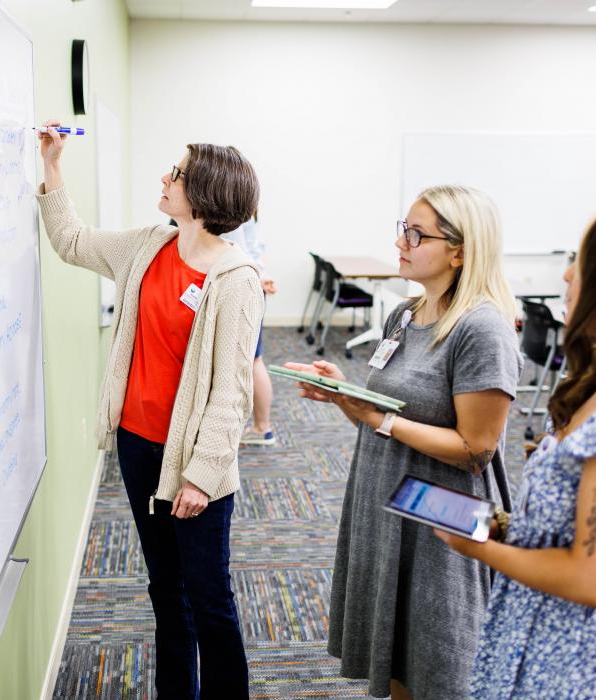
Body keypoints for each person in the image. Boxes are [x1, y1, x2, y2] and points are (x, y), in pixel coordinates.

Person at [36, 120, 263, 700]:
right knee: (165, 590)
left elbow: (231, 392)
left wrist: (202, 475)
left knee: (208, 598)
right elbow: (73, 242)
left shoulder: (234, 279)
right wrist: (53, 167)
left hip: (192, 465)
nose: (166, 177)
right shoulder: (149, 245)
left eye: (178, 173)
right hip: (138, 445)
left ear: (205, 193)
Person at [285, 185, 522, 700]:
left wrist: (378, 419)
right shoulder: (406, 315)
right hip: (385, 500)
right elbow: (386, 414)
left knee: (440, 667)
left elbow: (477, 449)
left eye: (417, 234)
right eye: (403, 229)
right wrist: (346, 397)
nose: (401, 243)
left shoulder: (483, 330)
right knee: (397, 662)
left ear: (460, 251)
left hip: (444, 516)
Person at [437, 224, 596, 699]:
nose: (567, 273)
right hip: (532, 624)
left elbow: (588, 577)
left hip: (567, 654)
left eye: (580, 262)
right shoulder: (585, 385)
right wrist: (502, 526)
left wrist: (481, 549)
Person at [222, 212, 277, 446]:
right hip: (253, 283)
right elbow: (255, 247)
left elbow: (236, 250)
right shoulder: (248, 206)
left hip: (243, 287)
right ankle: (261, 427)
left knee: (252, 360)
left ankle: (262, 427)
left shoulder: (230, 209)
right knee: (253, 359)